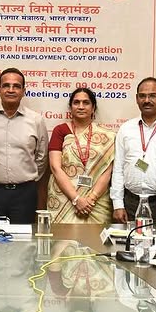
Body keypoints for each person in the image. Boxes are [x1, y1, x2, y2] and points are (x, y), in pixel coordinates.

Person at [0, 68, 49, 223]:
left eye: (16, 86)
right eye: (6, 85)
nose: (11, 90)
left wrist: (28, 176)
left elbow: (41, 157)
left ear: (23, 91)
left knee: (23, 237)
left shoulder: (36, 120)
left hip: (24, 193)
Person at [46, 87, 116, 224]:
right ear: (70, 107)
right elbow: (55, 167)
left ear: (93, 108)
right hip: (64, 199)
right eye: (76, 102)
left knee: (96, 238)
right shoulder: (60, 131)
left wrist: (91, 199)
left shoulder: (107, 136)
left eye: (86, 103)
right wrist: (76, 199)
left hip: (96, 203)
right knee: (63, 238)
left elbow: (107, 171)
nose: (81, 106)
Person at [111, 78, 156, 224]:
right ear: (137, 99)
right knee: (129, 238)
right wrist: (118, 204)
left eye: (152, 95)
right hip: (130, 202)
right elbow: (118, 168)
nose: (147, 100)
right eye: (142, 96)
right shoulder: (126, 128)